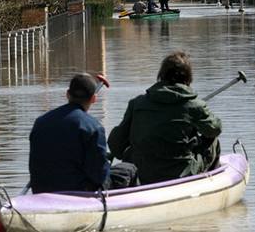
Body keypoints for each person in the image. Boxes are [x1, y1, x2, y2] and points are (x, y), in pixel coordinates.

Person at [108, 51, 222, 185]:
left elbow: (116, 145)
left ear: (161, 75)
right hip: (180, 174)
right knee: (213, 141)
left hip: (141, 173)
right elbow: (215, 129)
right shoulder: (194, 105)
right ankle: (211, 186)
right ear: (188, 78)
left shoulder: (137, 103)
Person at [29, 73, 137, 194]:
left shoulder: (40, 122)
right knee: (129, 169)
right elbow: (99, 176)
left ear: (67, 94)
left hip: (41, 190)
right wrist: (105, 164)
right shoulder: (93, 127)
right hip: (79, 192)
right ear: (93, 99)